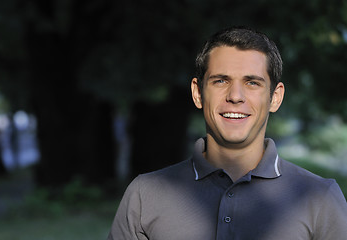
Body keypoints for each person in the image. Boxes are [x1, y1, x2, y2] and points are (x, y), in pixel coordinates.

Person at [107, 26, 347, 240]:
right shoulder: (145, 194)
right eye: (221, 81)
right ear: (198, 93)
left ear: (275, 98)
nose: (235, 96)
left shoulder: (320, 198)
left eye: (252, 82)